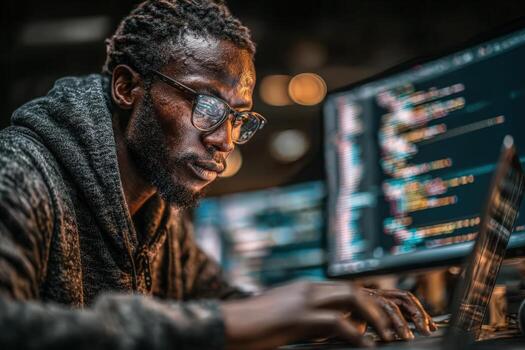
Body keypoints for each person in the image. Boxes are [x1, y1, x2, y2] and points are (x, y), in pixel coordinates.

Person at [0, 0, 437, 349]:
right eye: (205, 105)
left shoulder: (156, 210)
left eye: (237, 117)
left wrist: (317, 313)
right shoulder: (20, 173)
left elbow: (214, 302)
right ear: (127, 87)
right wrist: (227, 324)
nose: (224, 140)